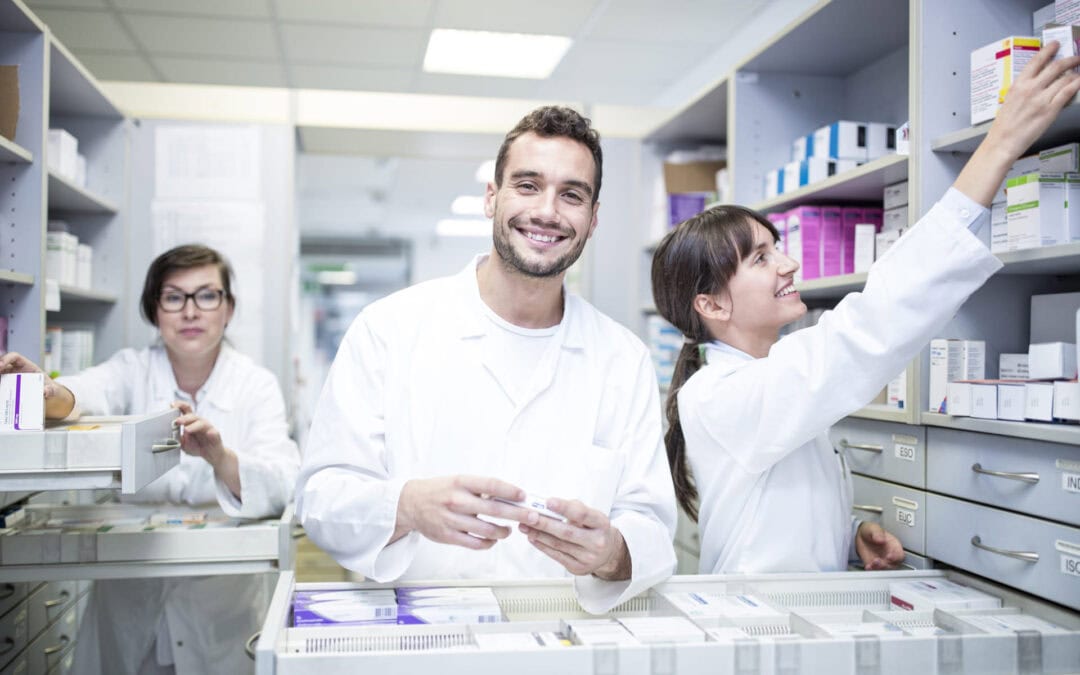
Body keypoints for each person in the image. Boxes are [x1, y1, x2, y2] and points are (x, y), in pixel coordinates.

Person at [650, 43, 1080, 576]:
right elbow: (868, 327)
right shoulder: (719, 395)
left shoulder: (761, 380)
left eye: (778, 245)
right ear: (710, 303)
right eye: (762, 258)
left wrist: (850, 537)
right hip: (762, 630)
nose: (789, 263)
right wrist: (1000, 144)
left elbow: (774, 508)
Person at [296, 105, 676, 613]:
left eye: (571, 195)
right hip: (418, 631)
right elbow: (321, 496)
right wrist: (406, 506)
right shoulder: (389, 328)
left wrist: (613, 552)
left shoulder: (621, 358)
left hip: (562, 637)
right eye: (527, 185)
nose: (547, 211)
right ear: (491, 197)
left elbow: (649, 521)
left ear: (593, 218)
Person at [0, 244, 300, 674]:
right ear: (155, 310)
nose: (191, 311)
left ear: (228, 308)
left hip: (221, 596)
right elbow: (85, 394)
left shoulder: (256, 385)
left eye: (207, 295)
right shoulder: (131, 369)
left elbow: (281, 480)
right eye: (174, 297)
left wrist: (220, 457)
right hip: (132, 589)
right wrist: (45, 390)